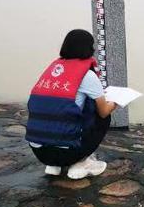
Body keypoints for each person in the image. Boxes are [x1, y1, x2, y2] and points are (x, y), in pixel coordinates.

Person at [25, 29, 117, 179]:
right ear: (89, 49)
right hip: (67, 153)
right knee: (102, 118)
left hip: (39, 152)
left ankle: (54, 166)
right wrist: (116, 102)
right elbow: (104, 111)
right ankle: (81, 163)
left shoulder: (52, 69)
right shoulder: (87, 75)